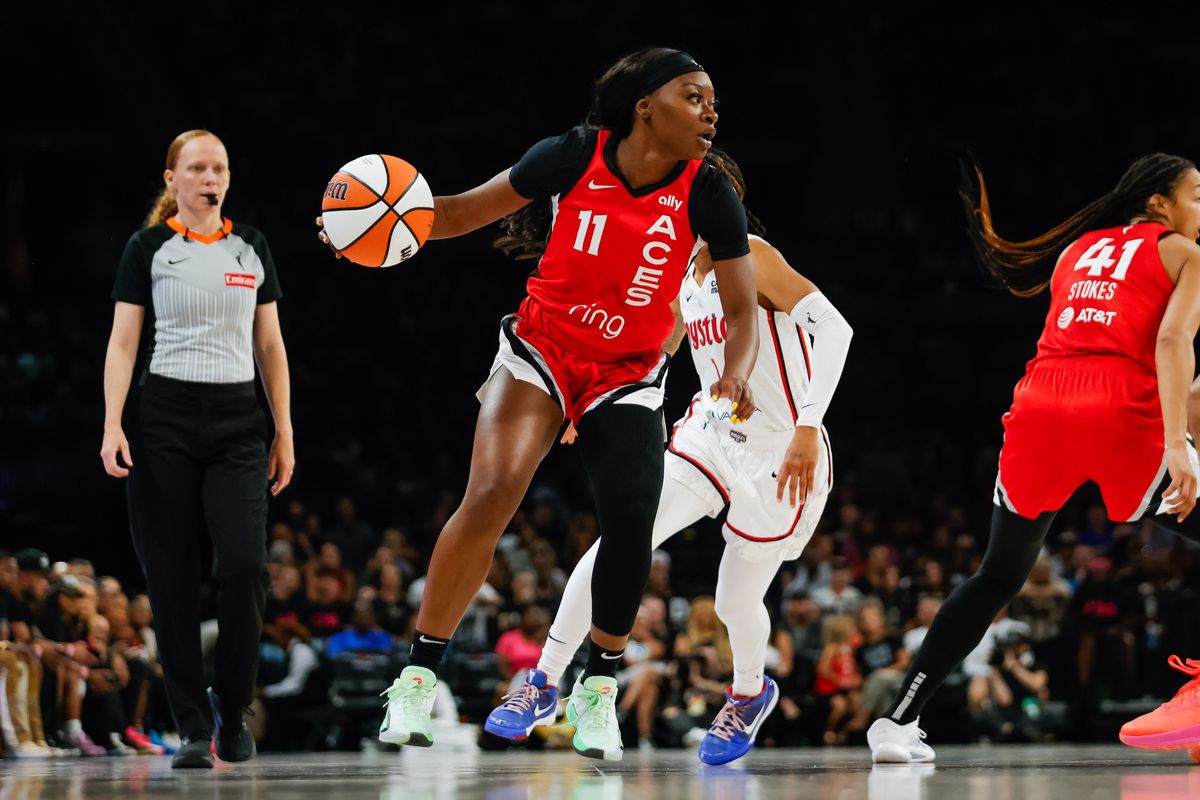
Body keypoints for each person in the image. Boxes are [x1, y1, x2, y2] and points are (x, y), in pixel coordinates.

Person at [319, 48, 760, 760]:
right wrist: (364, 230)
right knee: (492, 491)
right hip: (544, 348)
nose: (711, 112)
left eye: (712, 100)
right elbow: (454, 213)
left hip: (626, 370)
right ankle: (417, 678)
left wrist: (734, 375)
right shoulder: (571, 154)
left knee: (631, 524)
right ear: (646, 106)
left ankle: (597, 690)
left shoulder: (708, 192)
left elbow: (740, 311)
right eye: (694, 96)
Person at [482, 152, 854, 764]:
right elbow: (660, 342)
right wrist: (595, 399)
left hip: (782, 447)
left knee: (734, 602)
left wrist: (809, 427)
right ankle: (543, 681)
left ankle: (749, 692)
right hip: (710, 433)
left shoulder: (754, 256)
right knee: (620, 540)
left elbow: (837, 329)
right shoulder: (679, 271)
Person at [867, 153, 1200, 763]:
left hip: (1040, 401)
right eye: (1196, 196)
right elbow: (1173, 340)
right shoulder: (1183, 252)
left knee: (997, 576)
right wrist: (1177, 443)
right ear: (1160, 203)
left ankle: (895, 723)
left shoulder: (1076, 251)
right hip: (1115, 403)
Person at [100, 129, 294, 769]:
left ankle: (231, 707)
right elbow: (123, 342)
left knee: (244, 568)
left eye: (220, 169)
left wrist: (285, 429)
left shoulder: (251, 245)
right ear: (172, 179)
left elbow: (270, 345)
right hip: (163, 420)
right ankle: (189, 724)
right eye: (198, 168)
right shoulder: (148, 248)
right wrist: (112, 423)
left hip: (239, 422)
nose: (211, 178)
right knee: (171, 577)